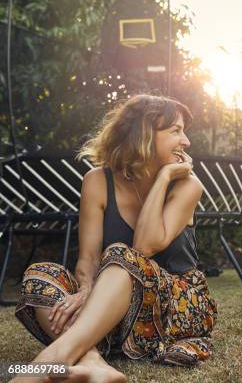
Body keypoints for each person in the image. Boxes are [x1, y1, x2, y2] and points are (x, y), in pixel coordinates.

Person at [13, 95, 217, 382]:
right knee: (41, 275)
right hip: (112, 309)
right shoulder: (97, 181)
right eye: (175, 130)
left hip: (176, 305)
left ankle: (48, 363)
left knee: (122, 256)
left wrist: (163, 178)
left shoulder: (187, 186)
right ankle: (93, 361)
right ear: (144, 134)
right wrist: (85, 289)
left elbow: (143, 247)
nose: (186, 141)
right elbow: (88, 257)